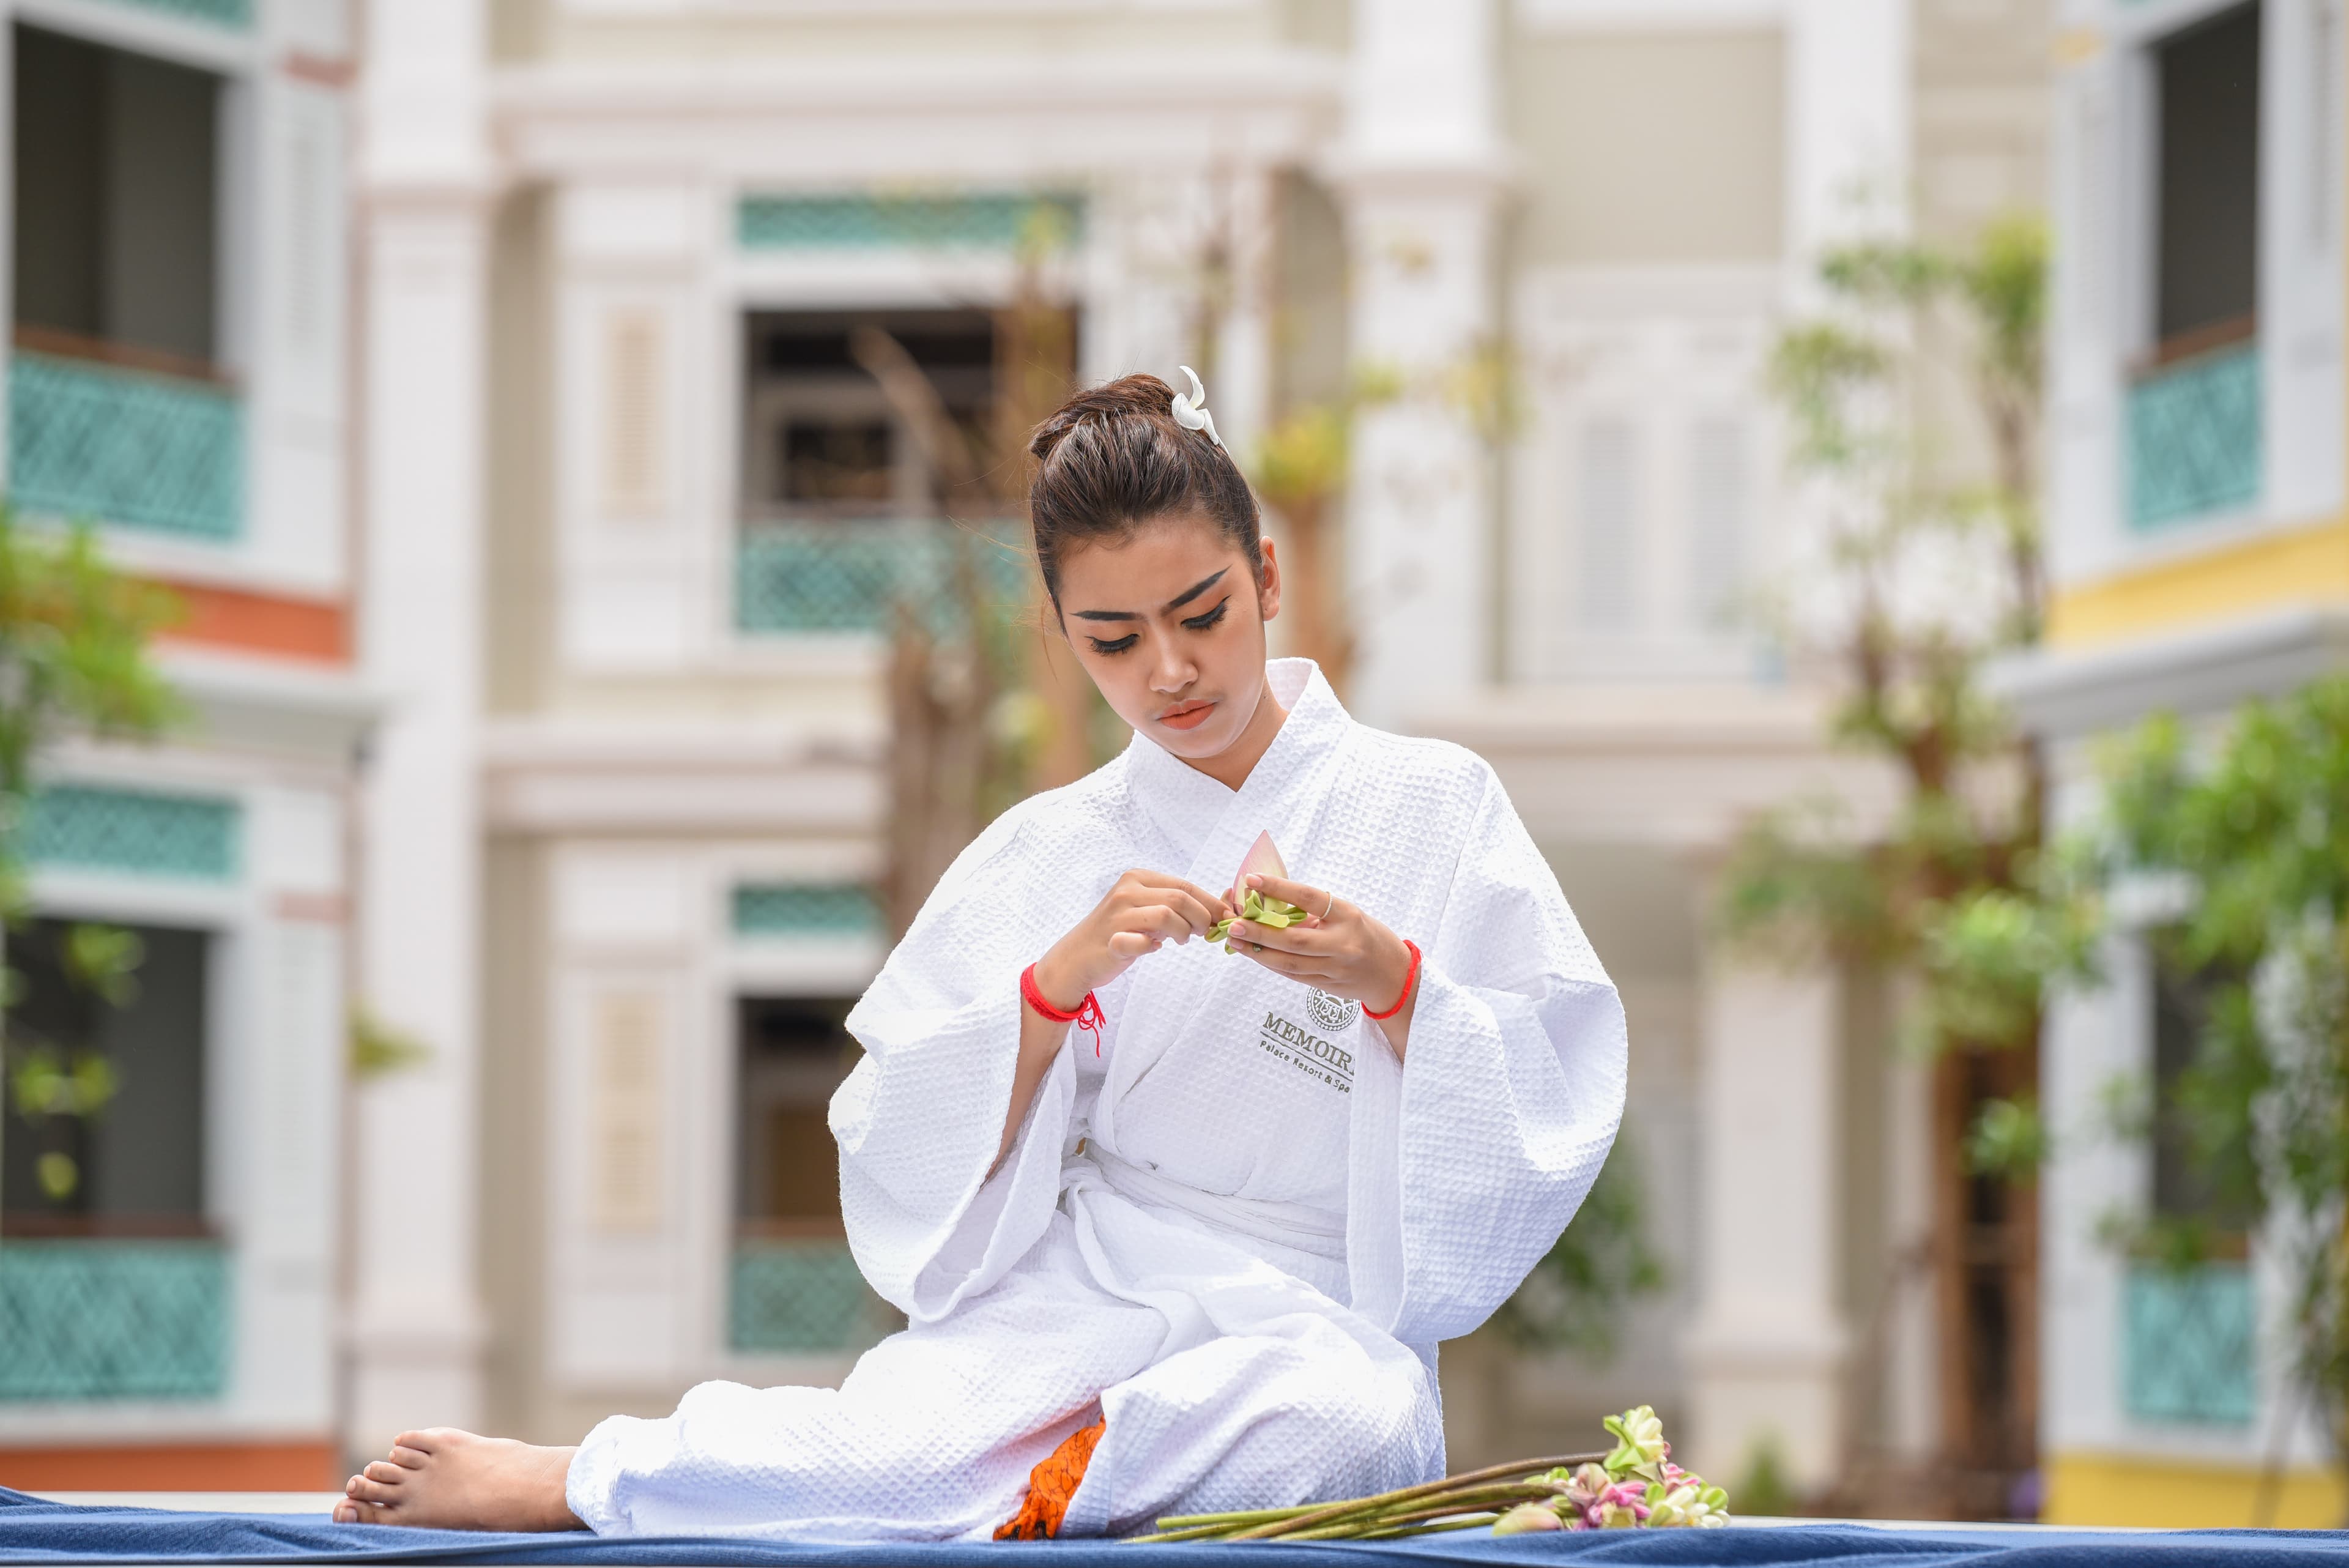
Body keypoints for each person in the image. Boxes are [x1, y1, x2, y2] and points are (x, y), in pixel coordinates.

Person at [333, 370, 1628, 1541]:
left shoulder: (1432, 801)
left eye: (1204, 614)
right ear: (1066, 636)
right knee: (894, 1456)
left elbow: (1554, 1072)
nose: (1171, 671)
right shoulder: (1049, 849)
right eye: (1114, 641)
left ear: (1269, 578)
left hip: (1308, 1321)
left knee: (1345, 1428)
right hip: (1085, 1285)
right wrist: (1050, 991)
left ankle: (1049, 1482)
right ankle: (584, 1476)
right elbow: (899, 1130)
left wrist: (1392, 981)